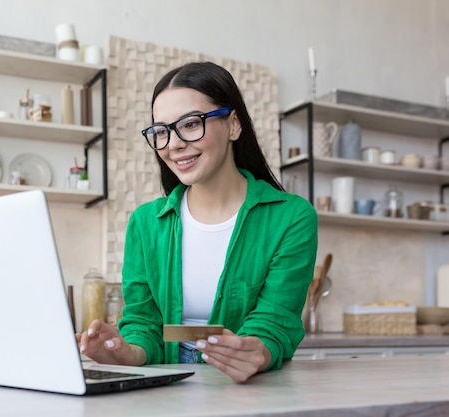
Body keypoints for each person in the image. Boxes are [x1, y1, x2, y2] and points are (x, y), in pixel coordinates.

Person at [78, 61, 318, 383]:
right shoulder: (145, 223)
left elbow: (275, 320)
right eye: (161, 131)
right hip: (166, 392)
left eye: (190, 124)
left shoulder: (291, 217)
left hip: (248, 390)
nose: (173, 144)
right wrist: (126, 352)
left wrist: (257, 350)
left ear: (233, 125)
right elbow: (143, 322)